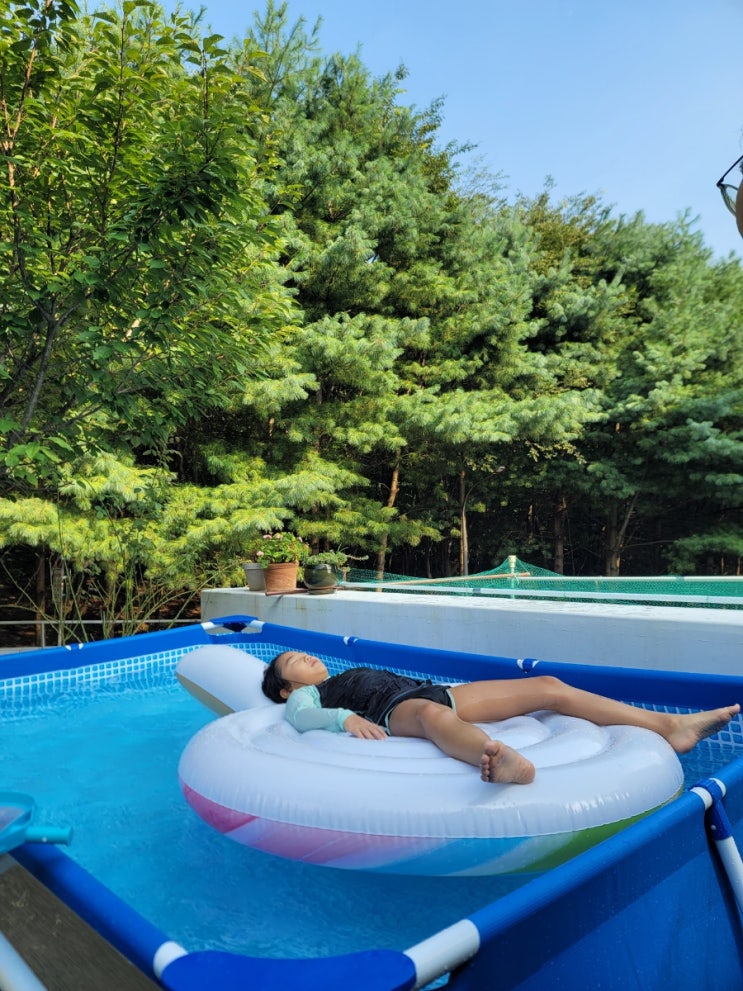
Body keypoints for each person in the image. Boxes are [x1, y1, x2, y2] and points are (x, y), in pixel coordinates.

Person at [262, 651, 740, 786]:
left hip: (437, 691)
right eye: (293, 661)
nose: (305, 656)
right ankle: (498, 760)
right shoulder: (309, 696)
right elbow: (303, 719)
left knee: (548, 687)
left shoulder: (339, 672)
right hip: (395, 710)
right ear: (286, 687)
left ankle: (671, 727)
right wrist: (344, 719)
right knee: (429, 715)